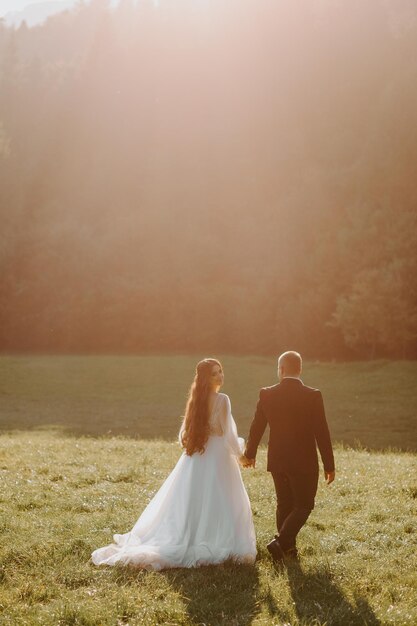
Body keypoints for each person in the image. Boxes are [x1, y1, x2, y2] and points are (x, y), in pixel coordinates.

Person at [91, 358, 256, 570]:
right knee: (221, 498)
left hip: (197, 456)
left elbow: (183, 436)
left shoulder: (195, 400)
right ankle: (216, 540)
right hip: (217, 457)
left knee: (194, 499)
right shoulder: (222, 399)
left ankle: (195, 536)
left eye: (221, 371)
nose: (220, 376)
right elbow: (229, 436)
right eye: (215, 373)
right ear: (207, 378)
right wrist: (241, 456)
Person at [241, 351, 335, 561]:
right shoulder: (312, 395)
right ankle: (281, 543)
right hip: (304, 462)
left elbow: (257, 427)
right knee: (304, 505)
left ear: (281, 370)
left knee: (284, 503)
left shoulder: (267, 393)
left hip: (277, 460)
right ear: (300, 369)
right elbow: (322, 432)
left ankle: (288, 551)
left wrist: (250, 453)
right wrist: (329, 464)